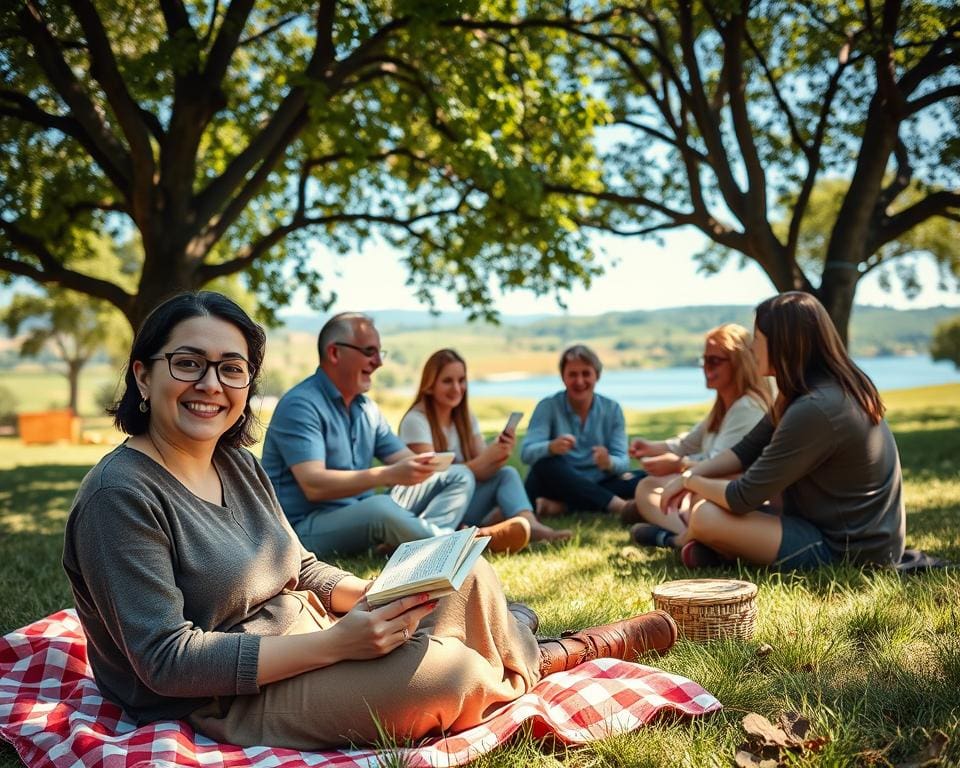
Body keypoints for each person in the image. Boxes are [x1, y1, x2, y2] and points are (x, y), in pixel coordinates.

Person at [61, 290, 680, 751]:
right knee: (454, 674)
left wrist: (367, 594)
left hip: (304, 633)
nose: (211, 384)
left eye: (232, 368)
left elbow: (297, 565)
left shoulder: (236, 462)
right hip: (220, 698)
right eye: (187, 363)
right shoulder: (119, 495)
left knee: (470, 576)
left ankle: (510, 637)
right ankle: (558, 650)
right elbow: (165, 661)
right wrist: (334, 643)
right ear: (143, 374)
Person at [658, 292, 906, 570]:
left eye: (757, 339)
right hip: (829, 529)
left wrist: (689, 480)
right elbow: (745, 451)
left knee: (706, 515)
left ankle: (684, 541)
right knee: (707, 503)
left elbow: (743, 496)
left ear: (781, 344)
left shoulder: (816, 408)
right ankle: (716, 550)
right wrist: (695, 475)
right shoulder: (801, 393)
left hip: (851, 551)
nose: (752, 349)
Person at [262, 312, 503, 557]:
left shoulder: (367, 409)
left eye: (379, 352)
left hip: (361, 513)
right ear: (335, 353)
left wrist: (428, 465)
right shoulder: (301, 405)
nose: (378, 362)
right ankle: (464, 545)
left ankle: (411, 545)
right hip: (304, 529)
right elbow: (314, 485)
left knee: (458, 475)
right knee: (379, 507)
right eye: (369, 352)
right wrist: (387, 475)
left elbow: (404, 459)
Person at [400, 349, 572, 545]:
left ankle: (530, 526)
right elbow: (430, 481)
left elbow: (485, 469)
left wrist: (499, 453)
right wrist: (485, 459)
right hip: (434, 510)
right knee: (497, 496)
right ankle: (478, 534)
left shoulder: (465, 419)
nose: (457, 388)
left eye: (461, 380)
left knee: (507, 473)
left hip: (464, 503)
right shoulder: (415, 421)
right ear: (430, 385)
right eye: (447, 381)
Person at [626, 324, 773, 547]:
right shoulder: (724, 405)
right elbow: (686, 442)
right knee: (647, 488)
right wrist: (650, 447)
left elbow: (720, 465)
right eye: (704, 360)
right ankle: (692, 536)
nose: (706, 367)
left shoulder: (747, 408)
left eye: (714, 361)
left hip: (730, 495)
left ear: (738, 363)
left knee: (650, 490)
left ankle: (682, 537)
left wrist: (678, 466)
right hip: (708, 490)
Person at [520, 344, 643, 518]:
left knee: (643, 478)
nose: (579, 381)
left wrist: (608, 462)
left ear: (597, 376)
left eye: (586, 373)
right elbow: (526, 453)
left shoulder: (612, 409)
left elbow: (623, 462)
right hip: (558, 483)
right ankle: (621, 507)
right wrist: (550, 447)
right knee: (545, 463)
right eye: (572, 374)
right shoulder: (547, 406)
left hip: (599, 481)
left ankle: (561, 507)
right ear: (563, 377)